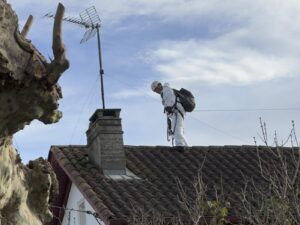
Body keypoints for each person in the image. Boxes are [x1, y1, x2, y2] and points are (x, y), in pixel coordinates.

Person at [151, 81, 188, 151]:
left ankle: (180, 145)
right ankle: (186, 146)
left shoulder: (166, 89)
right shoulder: (164, 92)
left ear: (159, 85)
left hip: (176, 111)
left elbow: (171, 99)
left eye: (156, 89)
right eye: (155, 91)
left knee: (177, 128)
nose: (156, 91)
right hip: (174, 112)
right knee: (177, 129)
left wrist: (169, 108)